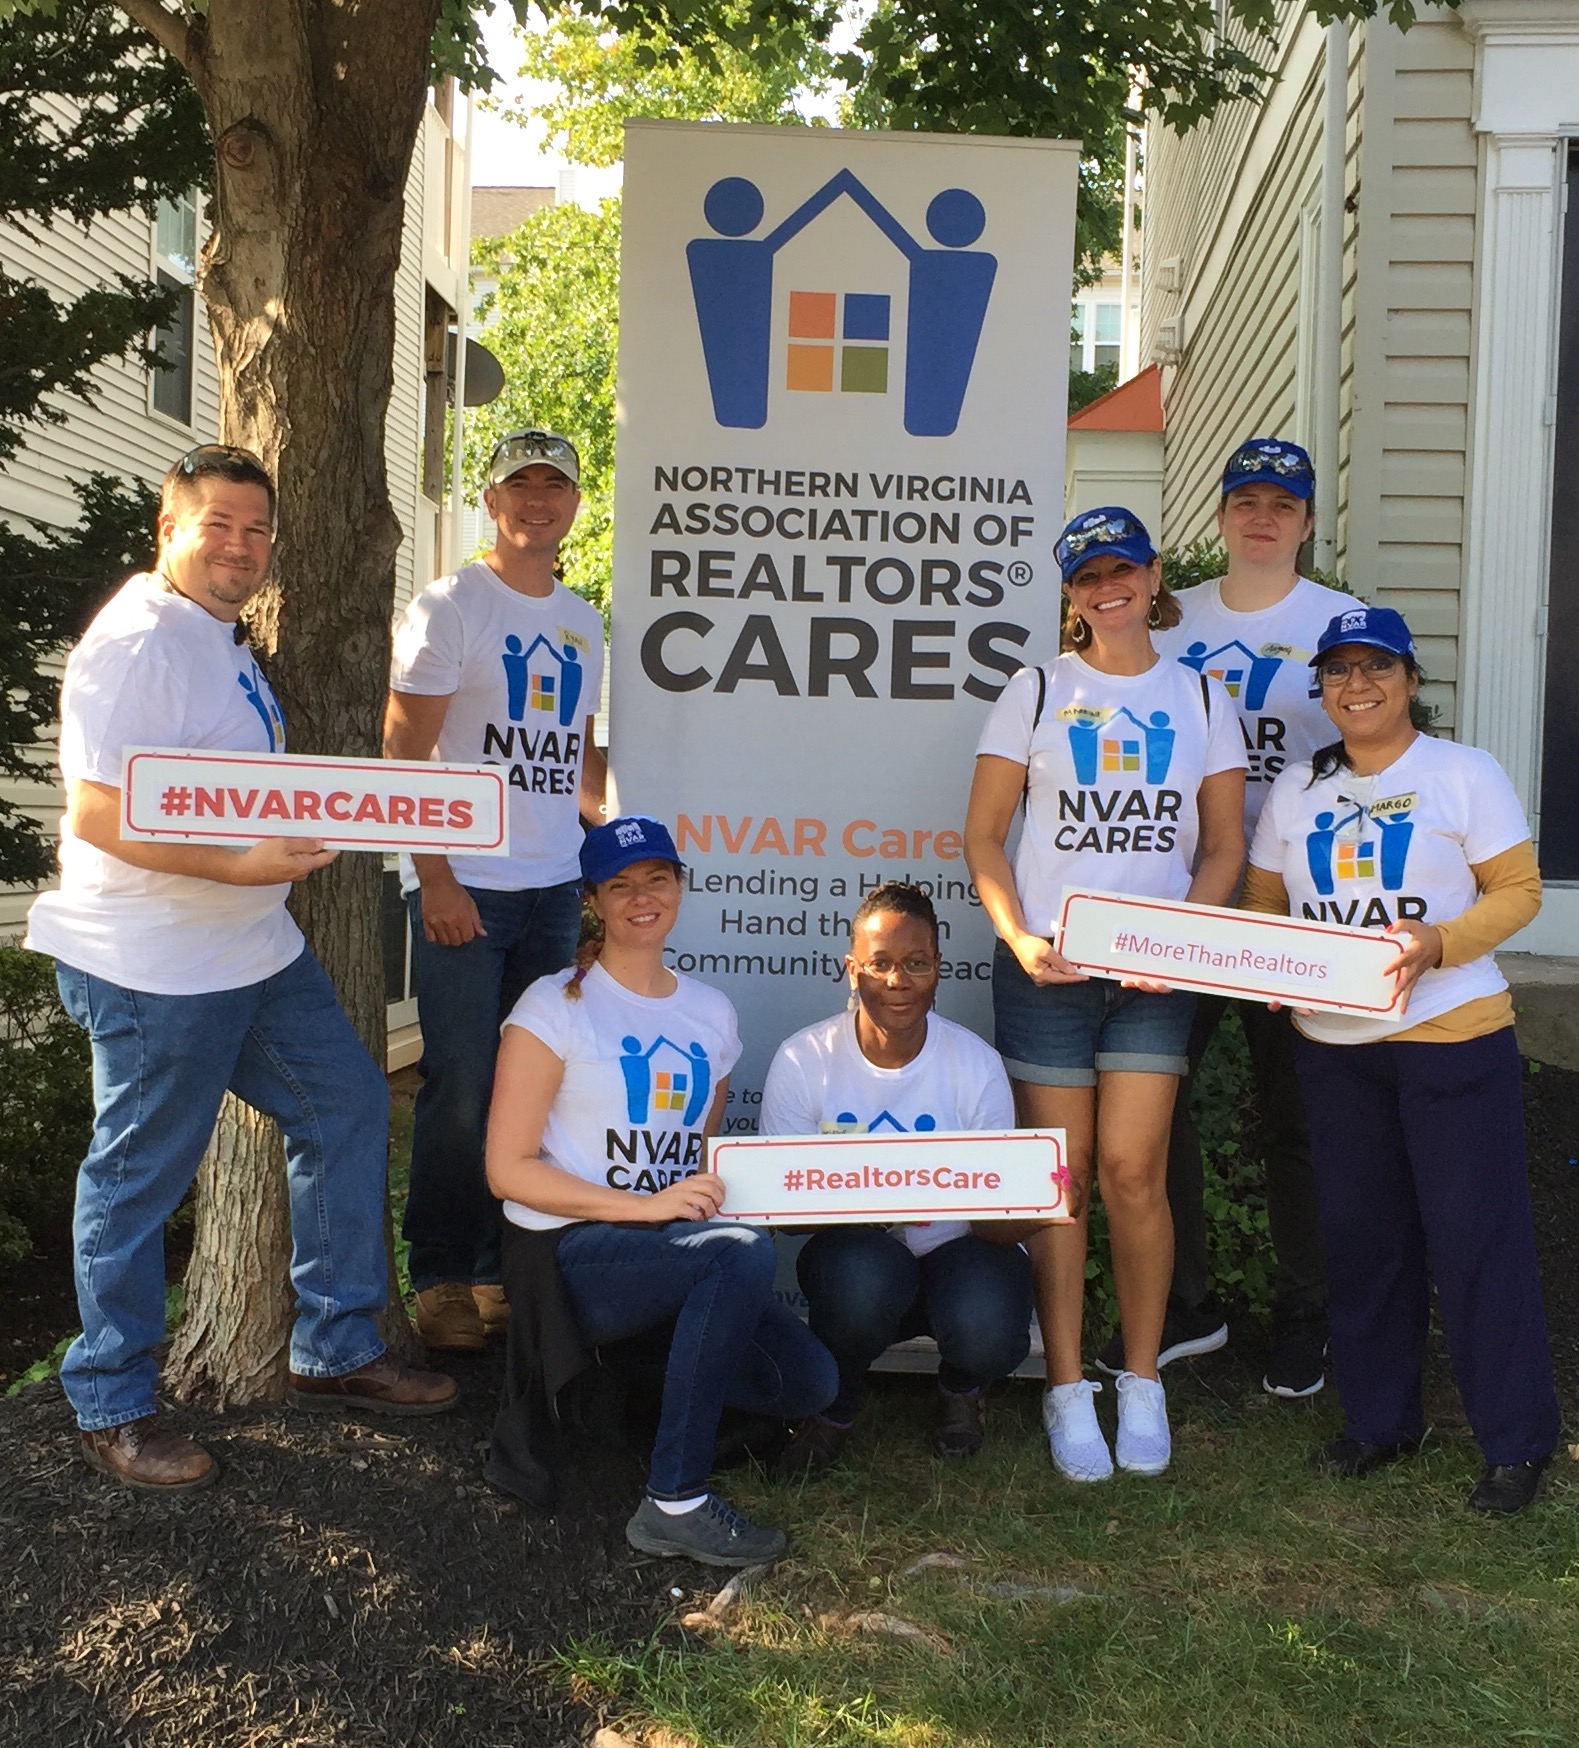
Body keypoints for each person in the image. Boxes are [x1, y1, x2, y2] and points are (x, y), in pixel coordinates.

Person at [25, 444, 457, 1494]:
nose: (240, 545)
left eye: (256, 529)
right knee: (136, 1180)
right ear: (168, 530)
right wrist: (240, 860)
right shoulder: (134, 643)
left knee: (349, 1101)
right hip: (156, 964)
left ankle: (336, 1342)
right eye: (217, 524)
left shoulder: (214, 638)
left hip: (253, 947)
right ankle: (112, 1402)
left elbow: (223, 787)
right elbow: (94, 811)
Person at [1243, 605, 1560, 1515]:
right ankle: (1380, 1423)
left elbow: (1519, 890)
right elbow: (1263, 898)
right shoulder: (1299, 786)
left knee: (1475, 1243)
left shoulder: (1461, 773)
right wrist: (1271, 960)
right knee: (1364, 1243)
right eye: (1339, 671)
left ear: (1411, 681)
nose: (1358, 685)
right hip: (1334, 1047)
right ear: (1323, 690)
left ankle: (1515, 1442)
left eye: (1376, 668)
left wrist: (1438, 943)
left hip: (1450, 1036)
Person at [964, 506, 1245, 1482]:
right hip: (1050, 972)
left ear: (1154, 575)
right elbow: (984, 837)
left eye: (1120, 568)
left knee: (1133, 1170)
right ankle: (1066, 1385)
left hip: (1153, 974)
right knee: (1066, 1177)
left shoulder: (1202, 696)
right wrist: (1017, 934)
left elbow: (1222, 848)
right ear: (1070, 594)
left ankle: (1142, 1378)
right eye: (1086, 576)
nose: (1105, 586)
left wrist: (1186, 938)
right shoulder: (1035, 688)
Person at [483, 815, 836, 1566]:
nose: (642, 897)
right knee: (735, 1256)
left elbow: (704, 1153)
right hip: (565, 1250)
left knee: (807, 1380)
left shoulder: (710, 1014)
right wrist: (644, 1208)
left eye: (657, 878)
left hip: (660, 1247)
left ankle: (630, 1390)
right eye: (620, 885)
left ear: (680, 885)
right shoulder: (554, 1007)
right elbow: (508, 1169)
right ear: (592, 901)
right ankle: (674, 1500)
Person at [1109, 437, 1353, 1397]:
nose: (1262, 517)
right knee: (1151, 1101)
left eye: (1281, 504)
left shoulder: (1340, 622)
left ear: (1304, 522)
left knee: (1296, 1117)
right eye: (1244, 500)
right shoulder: (1176, 620)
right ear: (1218, 515)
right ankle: (1189, 1306)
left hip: (1291, 903)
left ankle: (1306, 1313)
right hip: (1187, 898)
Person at [386, 428, 608, 1352]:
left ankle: (498, 1270)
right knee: (464, 1083)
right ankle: (439, 1271)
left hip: (554, 889)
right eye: (520, 483)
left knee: (534, 1088)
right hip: (465, 887)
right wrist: (433, 875)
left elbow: (583, 763)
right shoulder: (449, 606)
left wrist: (600, 884)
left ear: (573, 504)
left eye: (556, 484)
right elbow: (401, 753)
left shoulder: (583, 619)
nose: (538, 499)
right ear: (490, 499)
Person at [760, 882, 1033, 1475]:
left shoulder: (976, 1065)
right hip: (862, 1262)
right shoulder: (803, 1059)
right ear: (851, 968)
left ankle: (961, 1389)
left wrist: (1038, 1202)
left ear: (938, 968)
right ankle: (837, 1406)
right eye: (879, 963)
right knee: (862, 1275)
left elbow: (999, 1215)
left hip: (955, 1256)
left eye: (916, 963)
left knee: (989, 1319)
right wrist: (872, 1194)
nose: (897, 981)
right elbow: (781, 1214)